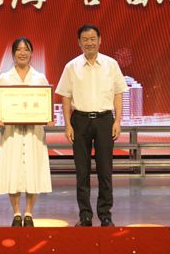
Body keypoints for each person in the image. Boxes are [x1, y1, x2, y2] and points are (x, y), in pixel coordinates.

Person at [55, 24, 127, 227]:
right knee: (82, 171)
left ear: (99, 40)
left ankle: (105, 214)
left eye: (92, 38)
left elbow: (118, 94)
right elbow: (65, 97)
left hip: (105, 120)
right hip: (80, 120)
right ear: (79, 42)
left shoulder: (111, 64)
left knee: (105, 170)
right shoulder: (71, 66)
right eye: (85, 39)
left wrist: (117, 121)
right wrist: (67, 124)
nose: (89, 43)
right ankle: (85, 215)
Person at [0, 37, 53, 227]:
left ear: (31, 53)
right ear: (13, 54)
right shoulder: (4, 78)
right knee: (12, 170)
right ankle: (16, 214)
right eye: (18, 49)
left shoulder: (39, 78)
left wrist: (48, 117)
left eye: (26, 49)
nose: (22, 53)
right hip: (11, 133)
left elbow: (46, 104)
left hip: (33, 133)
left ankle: (28, 213)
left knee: (33, 171)